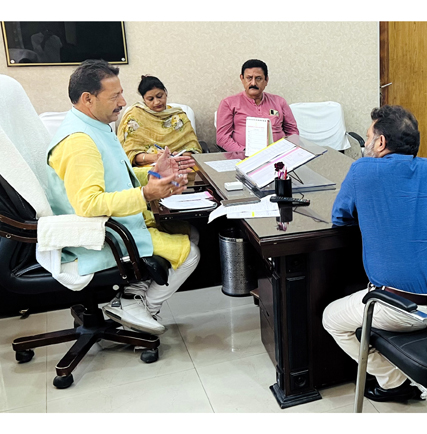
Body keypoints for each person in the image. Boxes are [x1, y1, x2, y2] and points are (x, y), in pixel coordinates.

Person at [44, 59, 201, 335]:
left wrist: (154, 173)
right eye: (114, 95)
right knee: (190, 255)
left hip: (119, 223)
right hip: (100, 237)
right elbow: (89, 205)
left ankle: (133, 296)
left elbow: (118, 175)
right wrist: (147, 193)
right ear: (88, 99)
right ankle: (137, 308)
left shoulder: (96, 126)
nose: (123, 101)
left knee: (190, 232)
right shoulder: (79, 141)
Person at [322, 105, 427, 404]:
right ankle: (405, 375)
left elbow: (340, 217)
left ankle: (393, 381)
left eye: (368, 136)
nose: (366, 143)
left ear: (380, 143)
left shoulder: (362, 170)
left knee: (331, 319)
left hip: (397, 308)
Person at [117, 75, 201, 170]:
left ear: (166, 93)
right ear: (144, 100)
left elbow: (194, 149)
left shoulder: (178, 116)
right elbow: (130, 154)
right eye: (150, 99)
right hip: (147, 167)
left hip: (179, 165)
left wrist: (179, 156)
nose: (157, 102)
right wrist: (155, 158)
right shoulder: (135, 115)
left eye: (159, 96)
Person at [216, 59, 299, 152]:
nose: (253, 83)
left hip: (279, 155)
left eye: (258, 78)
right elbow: (222, 138)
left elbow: (292, 132)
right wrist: (244, 151)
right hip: (244, 156)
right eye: (249, 78)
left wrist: (288, 150)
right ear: (242, 79)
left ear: (266, 80)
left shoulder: (279, 101)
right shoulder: (228, 103)